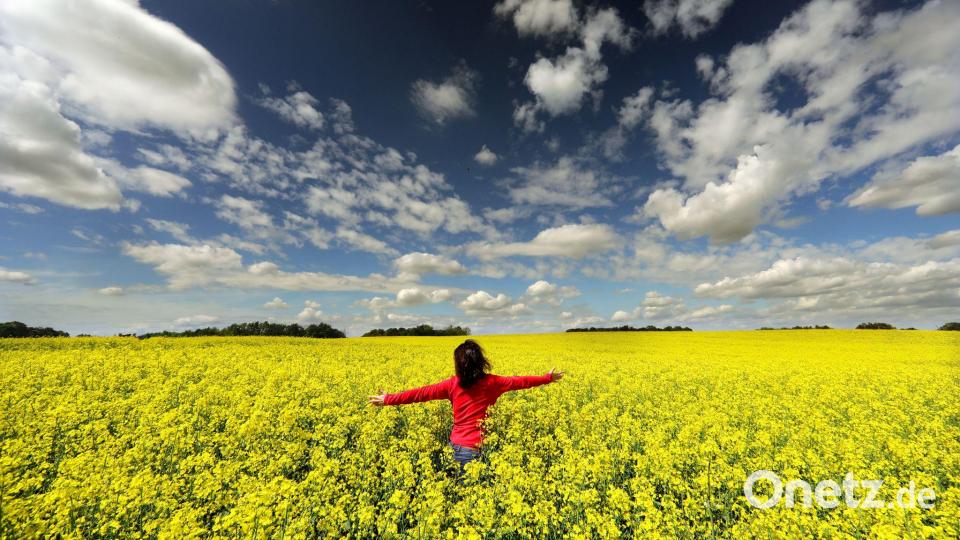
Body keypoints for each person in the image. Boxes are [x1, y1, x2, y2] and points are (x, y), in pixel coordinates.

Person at [368, 339, 563, 473]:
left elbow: (420, 394)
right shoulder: (493, 383)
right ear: (481, 362)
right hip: (476, 449)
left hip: (454, 448)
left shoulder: (452, 384)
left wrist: (388, 399)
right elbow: (521, 381)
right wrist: (547, 378)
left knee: (460, 496)